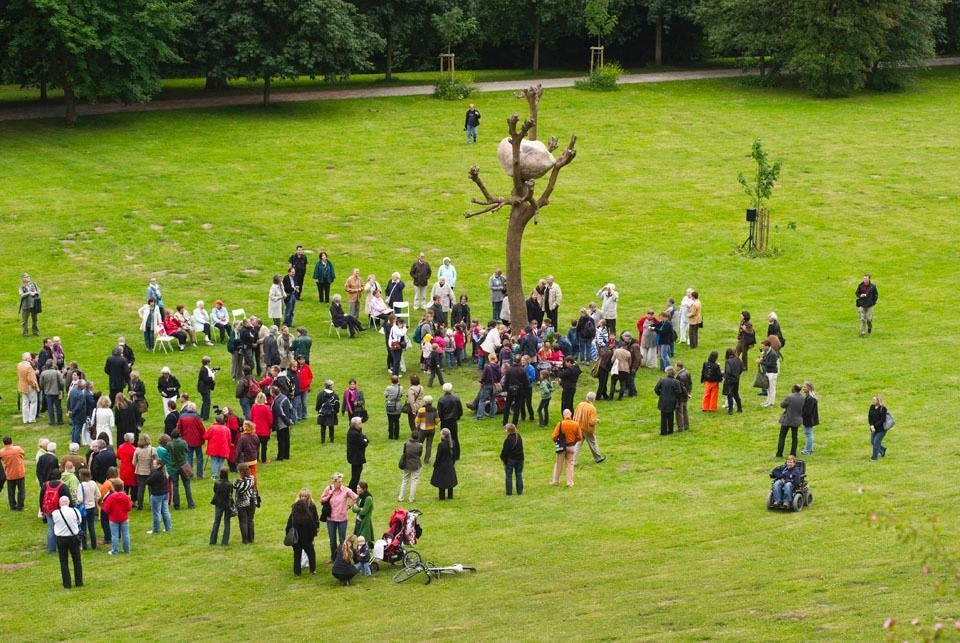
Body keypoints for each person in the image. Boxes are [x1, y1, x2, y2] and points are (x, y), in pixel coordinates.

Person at [319, 473, 357, 563]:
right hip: (331, 519)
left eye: (341, 481)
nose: (341, 483)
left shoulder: (345, 490)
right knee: (332, 541)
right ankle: (334, 558)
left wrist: (350, 505)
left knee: (342, 540)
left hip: (342, 519)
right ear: (334, 482)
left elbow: (356, 497)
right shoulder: (328, 489)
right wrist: (329, 494)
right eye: (338, 482)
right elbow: (321, 500)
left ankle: (343, 558)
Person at [51, 496, 83, 587]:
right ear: (68, 502)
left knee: (63, 561)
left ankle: (67, 583)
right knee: (77, 560)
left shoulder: (55, 513)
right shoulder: (75, 511)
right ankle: (79, 582)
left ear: (59, 503)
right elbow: (79, 521)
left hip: (61, 538)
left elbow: (54, 523)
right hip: (74, 537)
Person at [286, 488, 319, 575]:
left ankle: (297, 572)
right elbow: (313, 527)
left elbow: (288, 526)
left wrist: (288, 535)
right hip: (307, 539)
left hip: (296, 539)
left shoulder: (293, 516)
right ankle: (313, 570)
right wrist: (312, 537)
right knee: (311, 554)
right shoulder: (308, 517)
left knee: (297, 555)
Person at [551, 409, 582, 487]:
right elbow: (580, 437)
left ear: (563, 415)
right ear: (571, 414)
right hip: (571, 446)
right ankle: (569, 482)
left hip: (562, 447)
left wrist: (557, 441)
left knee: (558, 464)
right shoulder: (576, 424)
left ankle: (556, 481)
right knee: (570, 464)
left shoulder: (560, 424)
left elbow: (554, 436)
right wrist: (574, 441)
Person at [102, 479, 132, 555]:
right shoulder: (126, 497)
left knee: (114, 535)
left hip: (113, 518)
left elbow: (106, 509)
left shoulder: (111, 497)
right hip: (124, 518)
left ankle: (115, 551)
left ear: (114, 488)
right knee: (125, 534)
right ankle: (127, 550)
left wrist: (110, 513)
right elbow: (129, 508)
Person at [176, 402, 206, 479]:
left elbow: (178, 428)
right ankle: (199, 475)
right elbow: (201, 428)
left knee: (189, 457)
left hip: (186, 440)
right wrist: (204, 436)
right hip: (197, 440)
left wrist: (181, 436)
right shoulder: (196, 417)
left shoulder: (182, 417)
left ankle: (189, 475)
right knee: (199, 457)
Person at [573, 392, 605, 464]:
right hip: (587, 428)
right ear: (593, 399)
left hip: (578, 426)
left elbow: (575, 414)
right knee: (593, 443)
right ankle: (598, 458)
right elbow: (591, 422)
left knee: (578, 444)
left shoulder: (580, 404)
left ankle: (572, 460)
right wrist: (597, 420)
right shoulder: (592, 408)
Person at [145, 457, 172, 534]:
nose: (153, 465)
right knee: (165, 511)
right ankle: (168, 528)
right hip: (165, 493)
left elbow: (147, 481)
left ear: (159, 465)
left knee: (156, 513)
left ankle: (156, 529)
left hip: (157, 495)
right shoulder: (164, 472)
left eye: (154, 464)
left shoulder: (156, 473)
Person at [776, 384, 804, 458]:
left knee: (782, 437)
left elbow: (782, 405)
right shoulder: (803, 398)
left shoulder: (790, 397)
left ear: (793, 389)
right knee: (794, 437)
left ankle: (779, 453)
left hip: (787, 420)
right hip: (796, 420)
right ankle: (793, 453)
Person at [654, 366, 684, 436]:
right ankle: (670, 430)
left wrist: (660, 394)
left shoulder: (662, 380)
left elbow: (656, 389)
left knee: (663, 417)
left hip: (663, 401)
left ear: (667, 373)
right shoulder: (676, 382)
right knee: (671, 416)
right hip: (672, 401)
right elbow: (679, 392)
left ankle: (663, 432)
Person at [437, 382, 463, 459]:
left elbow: (439, 412)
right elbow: (460, 411)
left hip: (444, 421)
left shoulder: (441, 400)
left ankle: (445, 455)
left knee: (444, 438)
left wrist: (441, 419)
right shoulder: (456, 399)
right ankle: (456, 455)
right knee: (455, 437)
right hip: (453, 421)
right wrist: (457, 417)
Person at [76, 468, 100, 550]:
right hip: (92, 507)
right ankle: (94, 545)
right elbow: (98, 495)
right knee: (91, 526)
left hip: (84, 508)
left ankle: (84, 545)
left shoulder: (81, 485)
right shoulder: (93, 483)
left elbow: (80, 499)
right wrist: (93, 499)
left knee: (83, 527)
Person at [431, 428, 458, 500]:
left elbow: (438, 457)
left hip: (442, 466)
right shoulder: (453, 443)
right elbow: (454, 455)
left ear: (444, 436)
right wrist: (453, 463)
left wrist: (435, 465)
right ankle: (450, 496)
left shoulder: (441, 445)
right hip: (450, 464)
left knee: (441, 482)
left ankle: (442, 497)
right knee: (450, 481)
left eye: (441, 434)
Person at [233, 462, 257, 543]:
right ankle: (251, 538)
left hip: (242, 502)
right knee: (250, 520)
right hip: (252, 500)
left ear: (240, 471)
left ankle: (245, 540)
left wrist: (238, 479)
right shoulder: (252, 478)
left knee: (243, 521)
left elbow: (235, 486)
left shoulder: (238, 481)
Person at [1, 436, 26, 511]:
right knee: (21, 491)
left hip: (9, 475)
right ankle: (20, 507)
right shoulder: (18, 448)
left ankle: (12, 506)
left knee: (11, 492)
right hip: (19, 473)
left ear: (4, 443)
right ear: (11, 441)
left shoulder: (1, 451)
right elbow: (23, 454)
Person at [210, 468, 233, 546]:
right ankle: (225, 541)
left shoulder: (217, 483)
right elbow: (231, 494)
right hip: (227, 505)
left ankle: (212, 541)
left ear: (220, 474)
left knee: (216, 522)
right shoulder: (230, 484)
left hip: (218, 504)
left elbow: (215, 491)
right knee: (227, 522)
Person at [398, 430, 423, 502]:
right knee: (414, 481)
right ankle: (411, 498)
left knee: (405, 480)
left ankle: (400, 497)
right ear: (418, 437)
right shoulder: (420, 445)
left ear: (411, 436)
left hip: (407, 464)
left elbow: (404, 453)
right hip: (416, 465)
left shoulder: (406, 444)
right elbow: (420, 455)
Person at [204, 415, 232, 479]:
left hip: (214, 448)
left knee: (214, 461)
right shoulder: (226, 428)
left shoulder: (213, 427)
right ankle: (221, 475)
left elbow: (206, 436)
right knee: (221, 462)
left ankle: (214, 475)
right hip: (223, 448)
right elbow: (229, 439)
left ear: (217, 421)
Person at [132, 434, 156, 510]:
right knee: (151, 489)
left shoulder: (137, 450)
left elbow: (134, 462)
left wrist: (138, 465)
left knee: (140, 489)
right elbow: (156, 461)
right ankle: (152, 505)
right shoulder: (153, 449)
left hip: (140, 472)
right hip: (150, 471)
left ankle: (140, 506)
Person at [345, 417, 369, 491]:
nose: (361, 424)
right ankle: (352, 488)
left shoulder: (356, 431)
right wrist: (364, 440)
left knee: (356, 473)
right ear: (355, 425)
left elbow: (365, 438)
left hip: (355, 456)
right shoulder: (354, 433)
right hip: (356, 457)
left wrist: (364, 439)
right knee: (356, 474)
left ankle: (352, 487)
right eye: (359, 423)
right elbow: (364, 443)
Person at [500, 424, 524, 496]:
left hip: (511, 460)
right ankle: (520, 491)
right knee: (519, 474)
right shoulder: (519, 436)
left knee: (509, 475)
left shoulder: (508, 440)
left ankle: (509, 493)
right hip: (520, 459)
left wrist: (502, 458)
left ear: (508, 431)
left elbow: (505, 451)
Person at [416, 395, 440, 464]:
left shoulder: (421, 410)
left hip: (423, 430)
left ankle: (417, 458)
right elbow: (437, 420)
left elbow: (417, 420)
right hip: (432, 429)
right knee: (429, 445)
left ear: (425, 402)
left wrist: (418, 427)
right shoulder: (434, 410)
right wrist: (434, 423)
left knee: (419, 444)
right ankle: (427, 460)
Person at [17, 352, 40, 425]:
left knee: (25, 403)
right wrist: (35, 385)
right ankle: (31, 419)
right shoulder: (29, 366)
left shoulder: (19, 365)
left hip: (22, 385)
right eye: (30, 357)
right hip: (30, 386)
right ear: (27, 358)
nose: (31, 358)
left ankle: (25, 419)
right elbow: (31, 379)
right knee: (33, 402)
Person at [722, 348, 745, 415]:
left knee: (729, 395)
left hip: (729, 380)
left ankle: (730, 410)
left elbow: (728, 371)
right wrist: (737, 375)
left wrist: (725, 376)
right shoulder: (738, 360)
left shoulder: (728, 361)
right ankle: (739, 408)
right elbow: (741, 368)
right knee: (736, 394)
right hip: (736, 379)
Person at [758, 340, 780, 408]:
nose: (762, 347)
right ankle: (768, 401)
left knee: (772, 389)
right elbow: (766, 360)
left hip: (772, 373)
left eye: (763, 346)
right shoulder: (767, 351)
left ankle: (771, 403)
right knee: (768, 388)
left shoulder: (773, 353)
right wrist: (761, 360)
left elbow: (771, 364)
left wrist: (761, 362)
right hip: (768, 372)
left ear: (767, 346)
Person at [800, 382, 820, 456]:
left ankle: (807, 451)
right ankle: (809, 449)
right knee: (809, 433)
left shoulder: (810, 398)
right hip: (809, 418)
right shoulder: (810, 396)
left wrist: (801, 414)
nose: (803, 388)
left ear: (809, 388)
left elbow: (807, 411)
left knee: (808, 434)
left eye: (804, 387)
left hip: (809, 419)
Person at [868, 395, 890, 460]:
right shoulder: (871, 407)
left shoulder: (883, 408)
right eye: (873, 400)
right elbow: (870, 417)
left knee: (876, 442)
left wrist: (874, 426)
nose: (873, 401)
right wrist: (871, 425)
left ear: (878, 401)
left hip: (881, 430)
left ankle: (874, 458)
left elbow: (882, 420)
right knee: (872, 441)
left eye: (874, 400)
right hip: (873, 428)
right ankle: (882, 449)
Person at [197, 356, 216, 421]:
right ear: (207, 362)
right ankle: (205, 417)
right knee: (207, 402)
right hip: (204, 388)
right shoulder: (203, 370)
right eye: (210, 361)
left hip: (204, 388)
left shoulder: (205, 368)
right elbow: (205, 379)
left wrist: (213, 373)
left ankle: (202, 415)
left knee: (205, 401)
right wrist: (212, 378)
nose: (211, 362)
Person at [385, 375, 404, 440]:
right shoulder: (401, 388)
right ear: (398, 380)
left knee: (390, 421)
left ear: (391, 380)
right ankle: (396, 436)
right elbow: (401, 395)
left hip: (390, 405)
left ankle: (390, 436)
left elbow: (386, 395)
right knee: (397, 421)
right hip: (398, 406)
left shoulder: (388, 388)